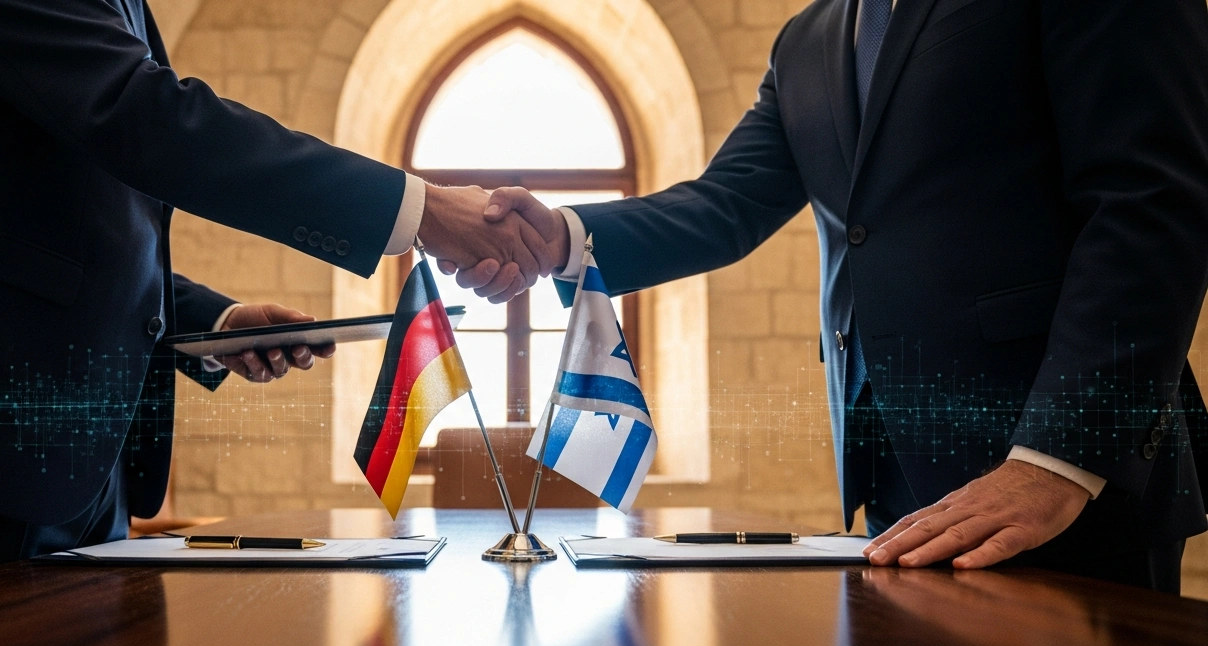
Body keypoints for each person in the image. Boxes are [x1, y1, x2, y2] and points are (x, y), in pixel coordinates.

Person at [0, 0, 534, 599]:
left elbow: (62, 204)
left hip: (72, 463)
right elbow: (134, 112)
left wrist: (210, 320)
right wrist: (419, 210)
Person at [479, 0, 1208, 593]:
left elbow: (1149, 204)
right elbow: (724, 205)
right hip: (893, 483)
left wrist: (1054, 462)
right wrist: (561, 239)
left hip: (1068, 484)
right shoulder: (810, 38)